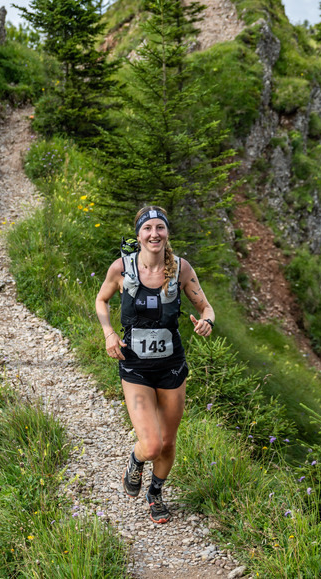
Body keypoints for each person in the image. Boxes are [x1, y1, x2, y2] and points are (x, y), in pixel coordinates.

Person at [94, 205, 215, 523]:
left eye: (160, 227)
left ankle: (156, 493)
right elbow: (101, 299)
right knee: (150, 444)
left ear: (167, 233)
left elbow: (206, 307)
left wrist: (207, 322)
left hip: (171, 367)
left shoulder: (181, 269)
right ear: (139, 234)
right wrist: (108, 333)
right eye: (148, 229)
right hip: (134, 367)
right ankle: (136, 461)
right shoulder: (122, 268)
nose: (154, 234)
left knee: (168, 441)